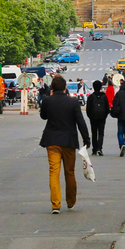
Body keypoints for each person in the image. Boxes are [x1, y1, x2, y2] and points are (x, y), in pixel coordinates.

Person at [39, 75, 91, 214]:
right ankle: (71, 201)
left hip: (52, 141)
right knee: (70, 172)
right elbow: (80, 121)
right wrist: (86, 139)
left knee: (54, 172)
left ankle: (56, 204)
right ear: (65, 88)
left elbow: (43, 116)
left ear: (52, 88)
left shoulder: (47, 101)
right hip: (69, 141)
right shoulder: (72, 102)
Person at [86, 80, 110, 156]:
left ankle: (94, 149)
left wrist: (90, 116)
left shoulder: (91, 97)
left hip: (93, 117)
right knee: (101, 133)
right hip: (102, 117)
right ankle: (100, 148)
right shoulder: (104, 96)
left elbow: (88, 109)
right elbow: (107, 108)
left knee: (94, 133)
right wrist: (105, 115)